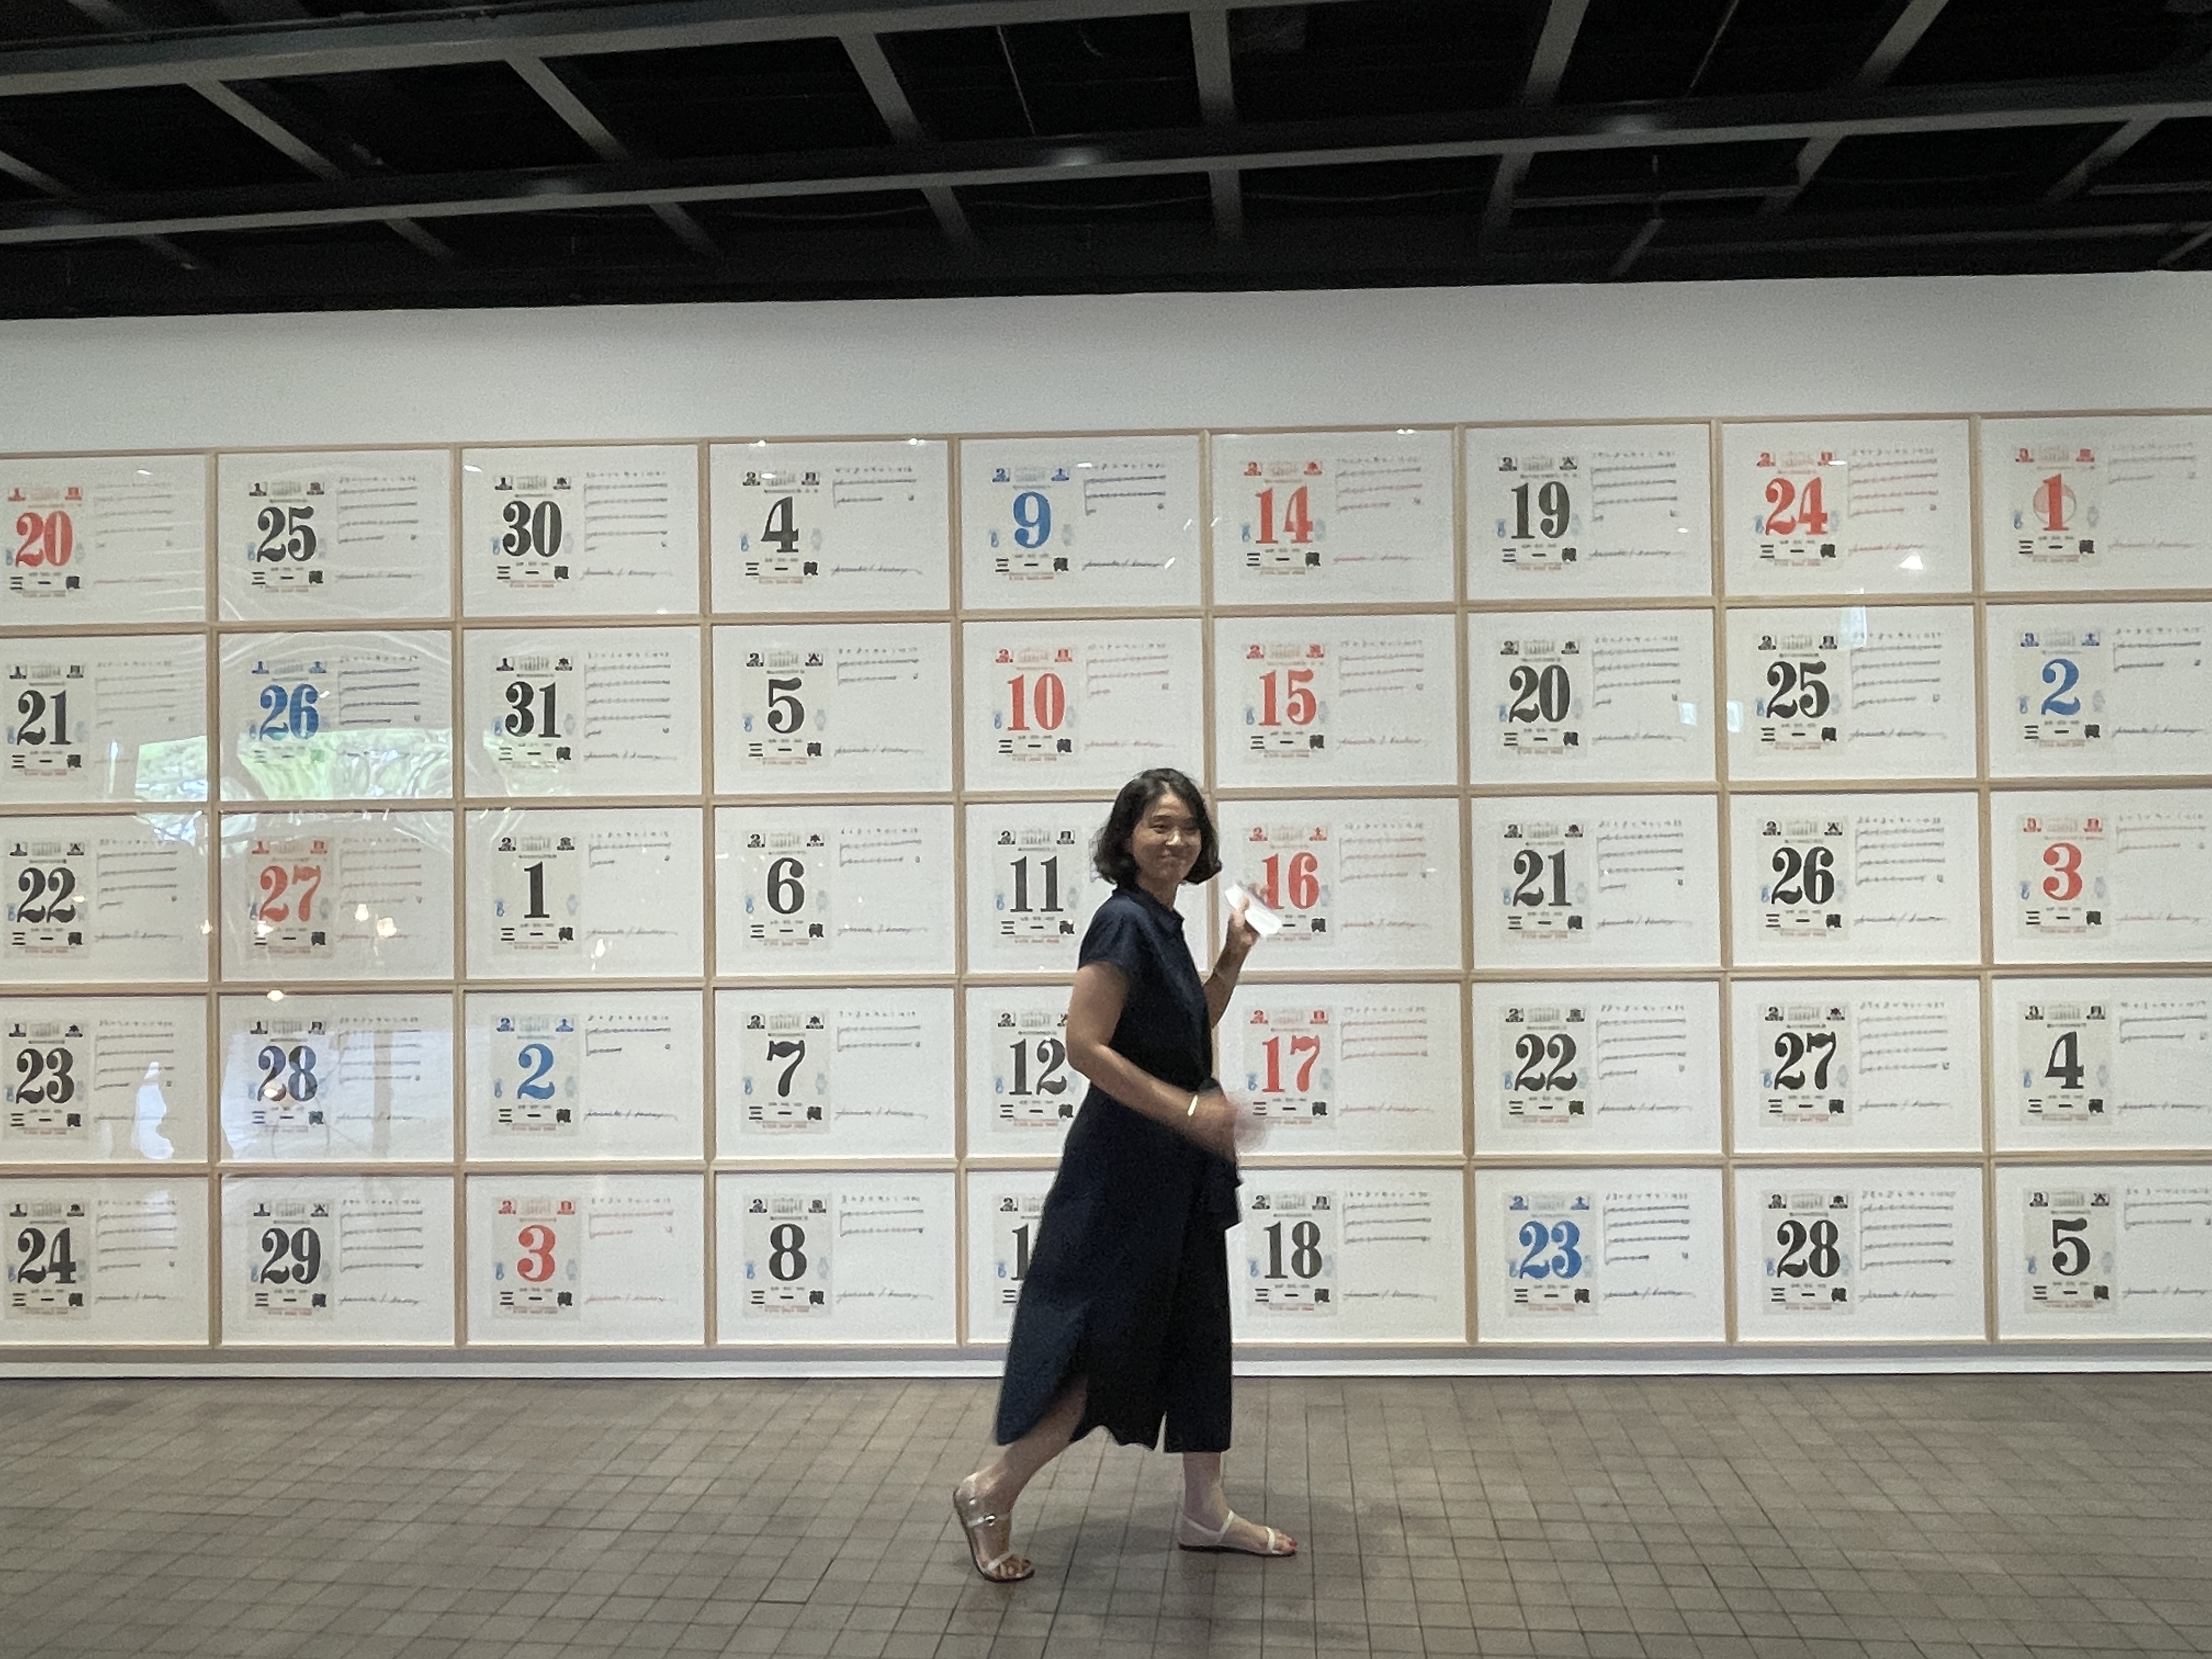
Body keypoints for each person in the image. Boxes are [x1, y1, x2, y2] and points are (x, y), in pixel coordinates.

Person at [952, 768, 1296, 1582]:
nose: (1176, 841)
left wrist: (1233, 958)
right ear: (1126, 838)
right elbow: (1083, 1045)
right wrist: (1190, 1111)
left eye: (1189, 828)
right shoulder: (1122, 922)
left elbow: (1184, 1024)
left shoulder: (1162, 923)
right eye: (1159, 826)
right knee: (1106, 1345)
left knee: (1198, 1331)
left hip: (1176, 1166)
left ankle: (1205, 1510)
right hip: (1125, 1171)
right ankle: (989, 1490)